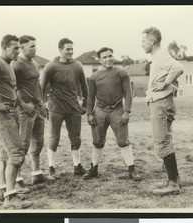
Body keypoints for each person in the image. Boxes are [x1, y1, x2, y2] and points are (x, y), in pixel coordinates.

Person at [0, 34, 34, 209]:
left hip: (11, 114)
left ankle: (3, 190)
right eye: (15, 48)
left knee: (5, 153)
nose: (18, 51)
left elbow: (9, 92)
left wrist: (23, 106)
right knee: (17, 154)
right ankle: (11, 197)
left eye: (19, 47)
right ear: (4, 47)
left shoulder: (7, 65)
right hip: (2, 116)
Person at [82, 47, 142, 181]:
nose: (108, 59)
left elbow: (128, 93)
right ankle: (94, 168)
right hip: (100, 110)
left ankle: (131, 169)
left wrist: (127, 111)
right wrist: (89, 114)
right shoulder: (94, 77)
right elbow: (90, 97)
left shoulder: (122, 73)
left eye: (110, 56)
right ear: (99, 60)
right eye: (104, 57)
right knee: (97, 141)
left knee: (123, 141)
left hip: (117, 109)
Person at [141, 27, 183, 195]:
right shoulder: (157, 57)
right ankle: (175, 179)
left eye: (143, 41)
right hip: (160, 102)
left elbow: (178, 68)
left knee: (162, 142)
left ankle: (173, 184)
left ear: (152, 41)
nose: (141, 44)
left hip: (161, 103)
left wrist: (165, 83)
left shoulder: (162, 55)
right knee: (165, 141)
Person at [41, 38, 88, 180]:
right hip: (56, 108)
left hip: (73, 107)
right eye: (67, 49)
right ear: (60, 49)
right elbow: (41, 87)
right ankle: (51, 168)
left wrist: (84, 104)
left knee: (76, 138)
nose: (70, 52)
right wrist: (43, 104)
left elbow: (85, 87)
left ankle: (77, 165)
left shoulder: (78, 66)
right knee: (54, 138)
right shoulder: (51, 66)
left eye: (72, 49)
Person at [11, 35, 49, 192]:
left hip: (38, 107)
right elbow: (10, 89)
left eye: (35, 46)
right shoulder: (15, 64)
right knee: (23, 144)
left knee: (38, 141)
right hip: (24, 110)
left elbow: (37, 85)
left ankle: (36, 173)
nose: (35, 49)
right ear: (22, 48)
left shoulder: (34, 63)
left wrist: (43, 102)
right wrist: (22, 105)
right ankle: (17, 180)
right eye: (32, 46)